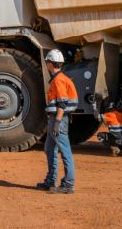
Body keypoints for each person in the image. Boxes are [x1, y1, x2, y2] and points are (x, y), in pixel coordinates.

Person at [36, 49, 78, 194]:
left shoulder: (59, 80)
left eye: (47, 61)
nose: (46, 63)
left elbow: (62, 103)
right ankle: (50, 180)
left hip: (59, 119)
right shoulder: (60, 78)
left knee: (64, 151)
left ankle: (68, 184)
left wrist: (58, 122)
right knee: (49, 149)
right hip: (55, 119)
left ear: (50, 63)